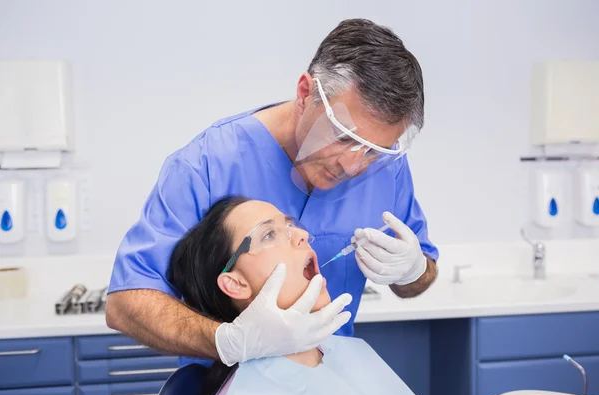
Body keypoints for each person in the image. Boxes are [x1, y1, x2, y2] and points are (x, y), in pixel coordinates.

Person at [106, 18, 439, 368]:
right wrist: (231, 342)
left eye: (373, 150)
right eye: (344, 137)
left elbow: (419, 280)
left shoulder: (386, 170)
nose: (354, 166)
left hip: (328, 379)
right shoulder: (207, 164)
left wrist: (412, 270)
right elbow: (126, 303)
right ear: (304, 94)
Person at [169, 195, 418, 395]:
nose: (301, 235)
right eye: (269, 234)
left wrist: (416, 270)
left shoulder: (343, 353)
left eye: (290, 226)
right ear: (236, 283)